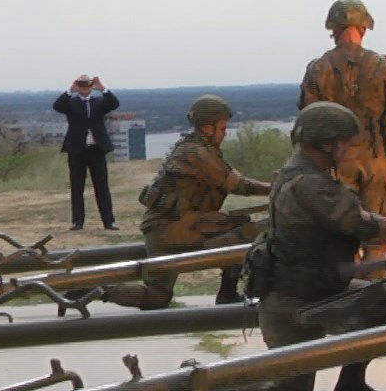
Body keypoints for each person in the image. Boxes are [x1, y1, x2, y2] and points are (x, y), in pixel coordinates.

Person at [231, 101, 386, 391]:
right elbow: (362, 225)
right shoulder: (312, 185)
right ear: (326, 143)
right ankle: (211, 380)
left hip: (315, 290)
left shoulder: (294, 173)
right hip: (294, 305)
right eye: (343, 142)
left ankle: (351, 387)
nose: (347, 150)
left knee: (379, 300)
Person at [104, 95, 270, 310]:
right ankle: (228, 293)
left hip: (166, 229)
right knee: (248, 230)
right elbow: (239, 185)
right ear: (206, 127)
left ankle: (92, 290)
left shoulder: (195, 147)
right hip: (174, 228)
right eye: (221, 128)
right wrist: (277, 188)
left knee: (156, 298)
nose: (224, 133)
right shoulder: (195, 152)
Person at [299, 0, 386, 227]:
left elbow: (308, 128)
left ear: (333, 30)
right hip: (376, 162)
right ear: (364, 28)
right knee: (377, 233)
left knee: (340, 236)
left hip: (334, 162)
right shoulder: (385, 68)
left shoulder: (318, 70)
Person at [52, 73, 120, 230]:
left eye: (87, 84)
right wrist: (70, 90)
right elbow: (57, 106)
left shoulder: (99, 103)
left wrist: (102, 88)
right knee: (77, 187)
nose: (84, 88)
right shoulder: (72, 103)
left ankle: (109, 221)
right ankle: (77, 221)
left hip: (97, 149)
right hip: (77, 150)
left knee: (102, 187)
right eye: (81, 84)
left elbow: (114, 103)